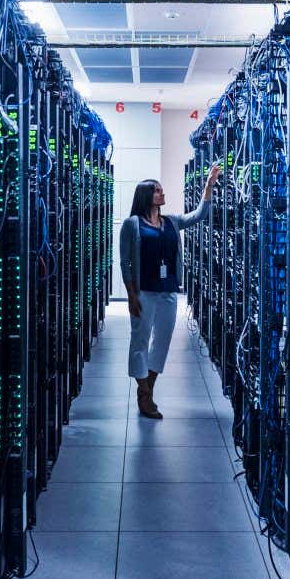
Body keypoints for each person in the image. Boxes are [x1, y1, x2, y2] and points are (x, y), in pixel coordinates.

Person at [118, 162, 221, 418]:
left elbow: (198, 215)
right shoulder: (132, 225)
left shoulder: (171, 222)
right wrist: (131, 294)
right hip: (143, 292)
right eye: (157, 191)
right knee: (140, 341)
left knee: (161, 343)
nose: (162, 194)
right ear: (146, 196)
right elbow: (125, 261)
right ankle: (144, 395)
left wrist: (208, 186)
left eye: (162, 190)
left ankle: (148, 389)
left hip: (168, 291)